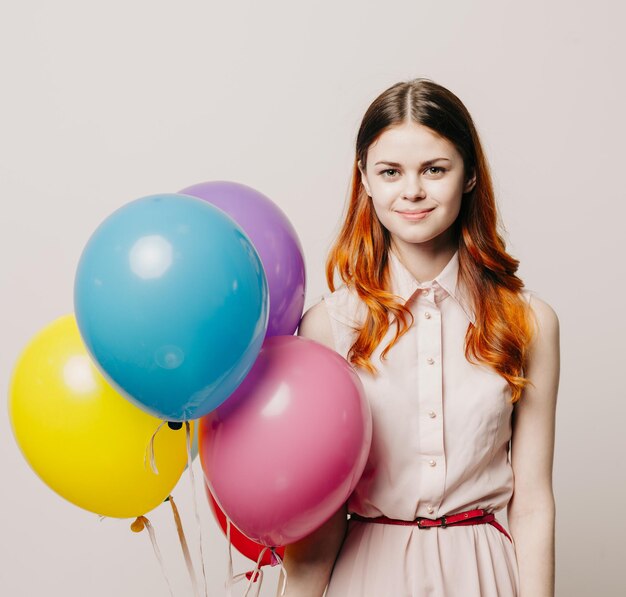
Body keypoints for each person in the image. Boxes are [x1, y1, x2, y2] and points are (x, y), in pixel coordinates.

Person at [277, 78, 559, 597]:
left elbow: (534, 499)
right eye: (390, 172)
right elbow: (318, 516)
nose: (412, 191)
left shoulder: (529, 322)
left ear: (470, 175)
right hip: (366, 575)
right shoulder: (328, 326)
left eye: (434, 169)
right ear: (364, 178)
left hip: (484, 574)